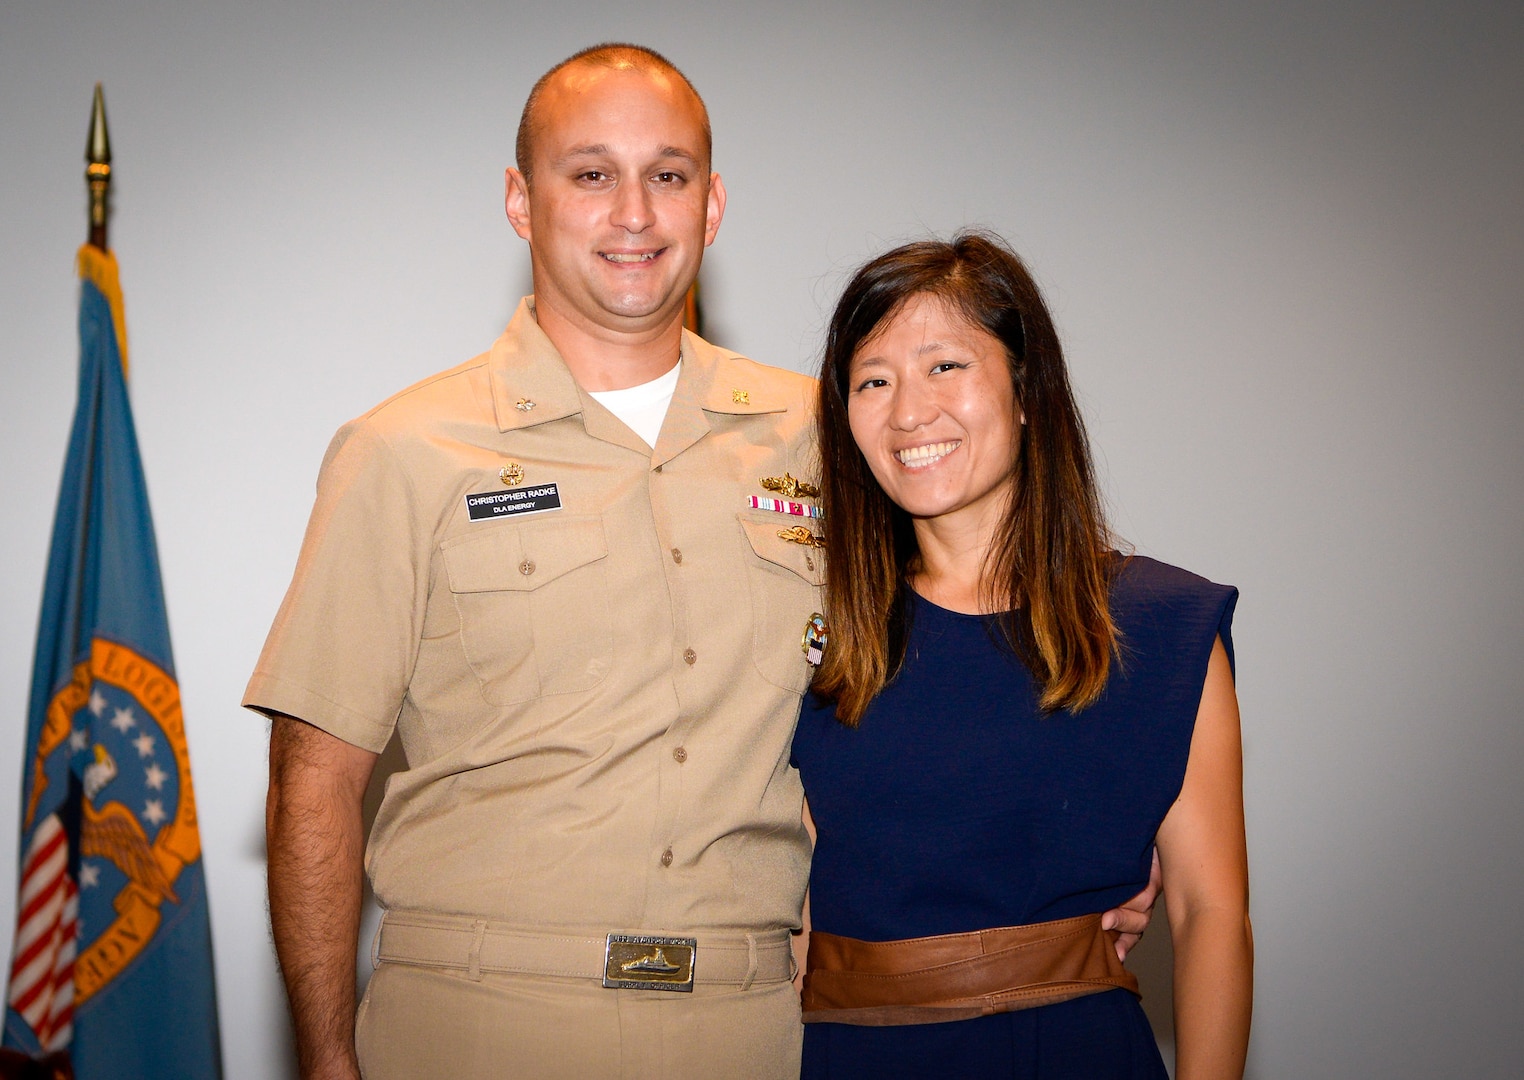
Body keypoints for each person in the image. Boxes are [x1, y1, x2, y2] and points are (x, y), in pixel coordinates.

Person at [246, 46, 1158, 1080]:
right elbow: (312, 781)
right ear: (519, 199)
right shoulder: (406, 451)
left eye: (668, 175)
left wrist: (1116, 827)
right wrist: (324, 1058)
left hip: (749, 1028)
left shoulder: (828, 431)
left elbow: (974, 624)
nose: (633, 212)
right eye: (590, 173)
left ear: (711, 205)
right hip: (481, 1019)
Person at [792, 233, 1253, 1078]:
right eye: (873, 380)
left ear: (1028, 388)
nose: (907, 411)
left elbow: (1209, 910)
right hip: (845, 1055)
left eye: (944, 367)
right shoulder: (812, 636)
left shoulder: (1161, 624)